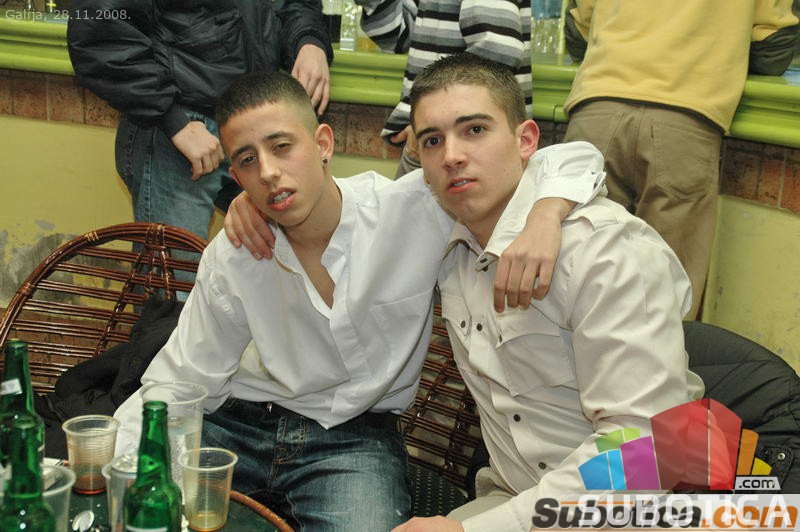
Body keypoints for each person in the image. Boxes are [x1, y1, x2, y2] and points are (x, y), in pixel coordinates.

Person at [113, 70, 605, 530]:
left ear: (322, 143)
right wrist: (112, 458)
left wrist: (546, 212)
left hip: (354, 440)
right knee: (136, 510)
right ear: (236, 177)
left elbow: (565, 158)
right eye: (247, 161)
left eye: (282, 147)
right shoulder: (237, 250)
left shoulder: (416, 209)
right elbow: (181, 379)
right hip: (237, 425)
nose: (268, 172)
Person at [392, 53, 705, 532]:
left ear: (526, 141)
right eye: (433, 140)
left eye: (475, 130)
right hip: (513, 495)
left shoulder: (603, 251)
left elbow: (647, 452)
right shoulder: (447, 240)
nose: (452, 155)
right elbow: (337, 205)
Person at [561, 0, 800, 319]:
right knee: (665, 298)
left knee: (572, 278)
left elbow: (578, 32)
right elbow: (772, 50)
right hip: (686, 116)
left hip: (597, 107)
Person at [67, 0, 333, 242]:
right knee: (177, 273)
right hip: (179, 133)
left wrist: (309, 41)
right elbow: (96, 28)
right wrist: (174, 120)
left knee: (275, 260)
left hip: (247, 125)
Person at [354, 0, 532, 177]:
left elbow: (498, 49)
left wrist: (432, 125)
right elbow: (399, 36)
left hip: (452, 138)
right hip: (443, 136)